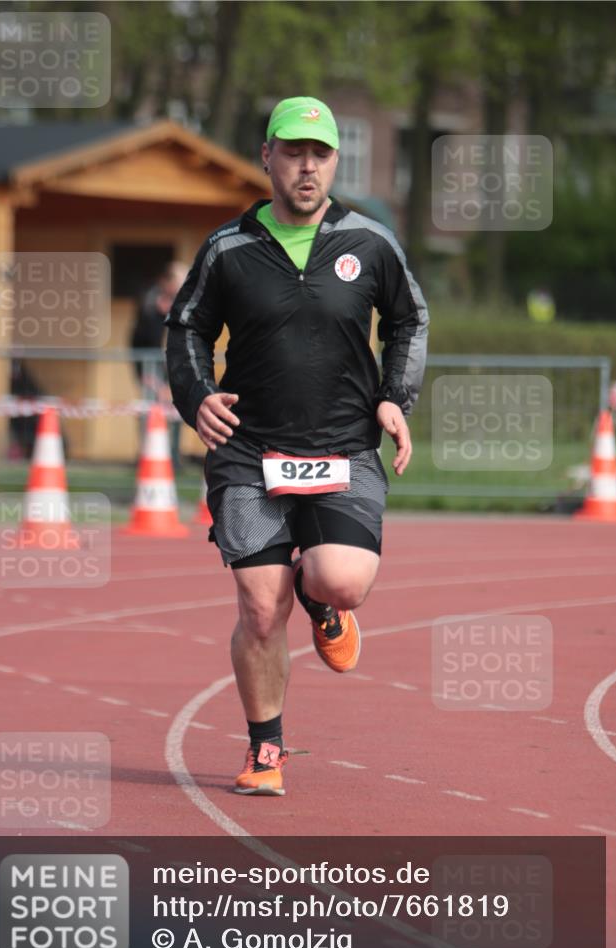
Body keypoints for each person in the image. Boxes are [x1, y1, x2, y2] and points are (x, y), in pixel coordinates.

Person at [166, 97, 428, 796]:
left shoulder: (370, 243)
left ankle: (325, 606)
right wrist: (196, 398)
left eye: (318, 153)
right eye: (292, 152)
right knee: (258, 606)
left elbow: (409, 319)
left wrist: (393, 401)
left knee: (337, 579)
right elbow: (185, 328)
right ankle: (265, 750)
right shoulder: (228, 248)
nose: (305, 166)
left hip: (342, 445)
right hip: (249, 449)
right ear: (267, 157)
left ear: (333, 161)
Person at [131, 261, 188, 469]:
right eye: (178, 283)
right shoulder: (149, 301)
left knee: (175, 411)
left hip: (172, 366)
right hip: (150, 365)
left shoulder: (182, 303)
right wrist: (147, 376)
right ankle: (148, 456)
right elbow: (141, 339)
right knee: (151, 411)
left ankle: (172, 457)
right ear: (167, 282)